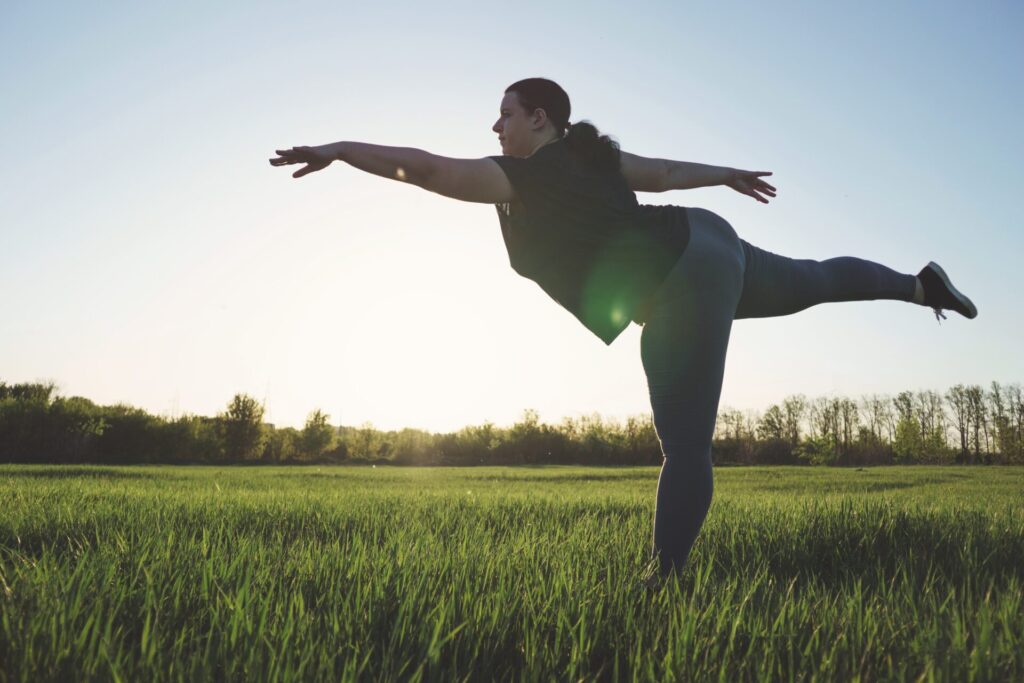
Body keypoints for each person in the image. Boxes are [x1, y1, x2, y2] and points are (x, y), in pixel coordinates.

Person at [269, 77, 977, 588]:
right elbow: (663, 173)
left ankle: (663, 582)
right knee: (815, 279)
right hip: (709, 244)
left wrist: (339, 147)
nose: (496, 127)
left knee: (686, 445)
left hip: (679, 279)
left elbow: (424, 170)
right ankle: (921, 286)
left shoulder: (527, 176)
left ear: (538, 118)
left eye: (505, 113)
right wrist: (724, 175)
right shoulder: (592, 157)